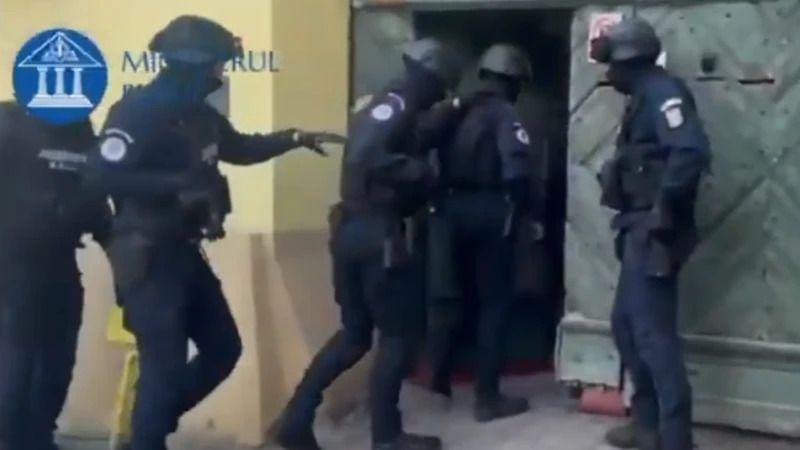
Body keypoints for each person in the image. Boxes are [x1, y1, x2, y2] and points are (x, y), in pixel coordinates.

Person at [83, 15, 344, 450]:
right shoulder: (139, 111)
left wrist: (294, 137)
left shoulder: (198, 114)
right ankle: (147, 436)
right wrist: (176, 187)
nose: (221, 73)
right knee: (163, 367)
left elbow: (238, 148)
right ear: (192, 64)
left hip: (185, 252)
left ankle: (148, 428)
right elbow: (98, 177)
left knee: (223, 348)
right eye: (218, 64)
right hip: (146, 254)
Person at [274, 38, 464, 450]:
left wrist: (443, 121)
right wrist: (420, 174)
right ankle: (386, 435)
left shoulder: (397, 108)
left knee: (355, 335)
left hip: (353, 232)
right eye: (442, 88)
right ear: (429, 78)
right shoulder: (394, 104)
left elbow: (396, 142)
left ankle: (296, 418)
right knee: (397, 336)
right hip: (377, 235)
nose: (442, 95)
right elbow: (365, 155)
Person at [590, 18, 711, 450]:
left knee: (653, 336)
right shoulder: (642, 96)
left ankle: (676, 438)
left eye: (612, 65)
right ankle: (647, 425)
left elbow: (690, 151)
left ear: (630, 60)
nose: (608, 75)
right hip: (638, 227)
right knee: (627, 326)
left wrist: (664, 210)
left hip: (654, 230)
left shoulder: (663, 94)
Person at [425, 44, 543, 422]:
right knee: (495, 304)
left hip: (447, 210)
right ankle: (487, 398)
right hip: (490, 211)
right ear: (513, 81)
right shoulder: (505, 114)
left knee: (450, 298)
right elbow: (517, 171)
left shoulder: (455, 110)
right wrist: (524, 212)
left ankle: (437, 382)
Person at [0, 101, 110, 450]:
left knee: (59, 355)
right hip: (14, 263)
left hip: (61, 261)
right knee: (18, 356)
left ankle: (39, 435)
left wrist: (118, 252)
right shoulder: (9, 121)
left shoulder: (78, 126)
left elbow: (94, 190)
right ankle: (12, 438)